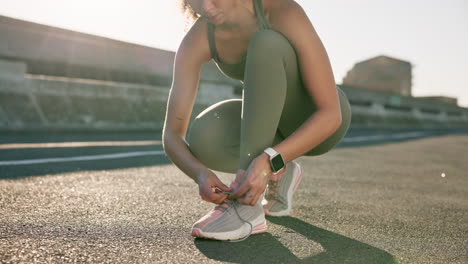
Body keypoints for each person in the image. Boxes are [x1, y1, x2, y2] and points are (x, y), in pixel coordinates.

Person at [162, 0, 351, 241]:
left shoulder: (281, 10)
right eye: (196, 0)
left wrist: (268, 160)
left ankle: (247, 208)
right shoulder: (197, 38)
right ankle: (279, 170)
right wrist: (199, 174)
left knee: (265, 43)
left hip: (317, 121)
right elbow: (171, 134)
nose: (207, 7)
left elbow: (330, 114)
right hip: (267, 124)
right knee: (203, 136)